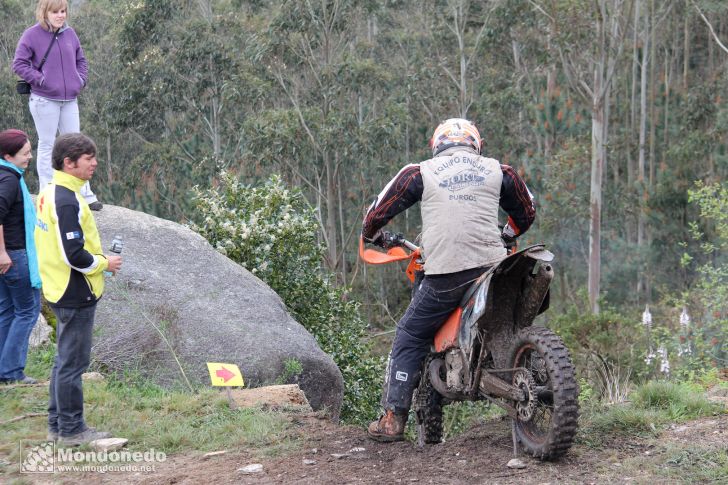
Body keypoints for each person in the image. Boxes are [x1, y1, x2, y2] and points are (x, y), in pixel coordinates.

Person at [362, 118, 536, 441]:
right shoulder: (499, 170)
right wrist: (507, 234)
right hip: (496, 270)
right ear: (475, 144)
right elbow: (527, 209)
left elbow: (377, 210)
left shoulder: (421, 172)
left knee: (410, 335)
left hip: (446, 274)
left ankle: (392, 420)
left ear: (437, 144)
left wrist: (373, 234)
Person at [35, 133, 121, 446]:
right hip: (75, 291)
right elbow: (75, 254)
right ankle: (72, 431)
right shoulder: (66, 199)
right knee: (73, 363)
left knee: (63, 360)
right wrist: (105, 263)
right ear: (69, 163)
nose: (95, 163)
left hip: (58, 287)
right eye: (88, 159)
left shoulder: (50, 191)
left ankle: (58, 426)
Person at [13, 0, 102, 211]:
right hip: (44, 100)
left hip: (69, 99)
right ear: (45, 12)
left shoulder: (70, 34)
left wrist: (79, 80)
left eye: (63, 11)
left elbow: (81, 60)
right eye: (55, 12)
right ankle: (47, 194)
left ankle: (84, 193)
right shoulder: (32, 35)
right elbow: (19, 63)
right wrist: (41, 80)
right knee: (47, 144)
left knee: (78, 145)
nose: (60, 15)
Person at [0, 130, 42, 385]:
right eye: (25, 153)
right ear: (8, 156)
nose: (29, 157)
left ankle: (4, 370)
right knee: (27, 311)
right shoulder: (9, 181)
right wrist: (2, 252)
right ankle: (12, 372)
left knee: (7, 311)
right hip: (14, 255)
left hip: (8, 257)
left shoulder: (6, 175)